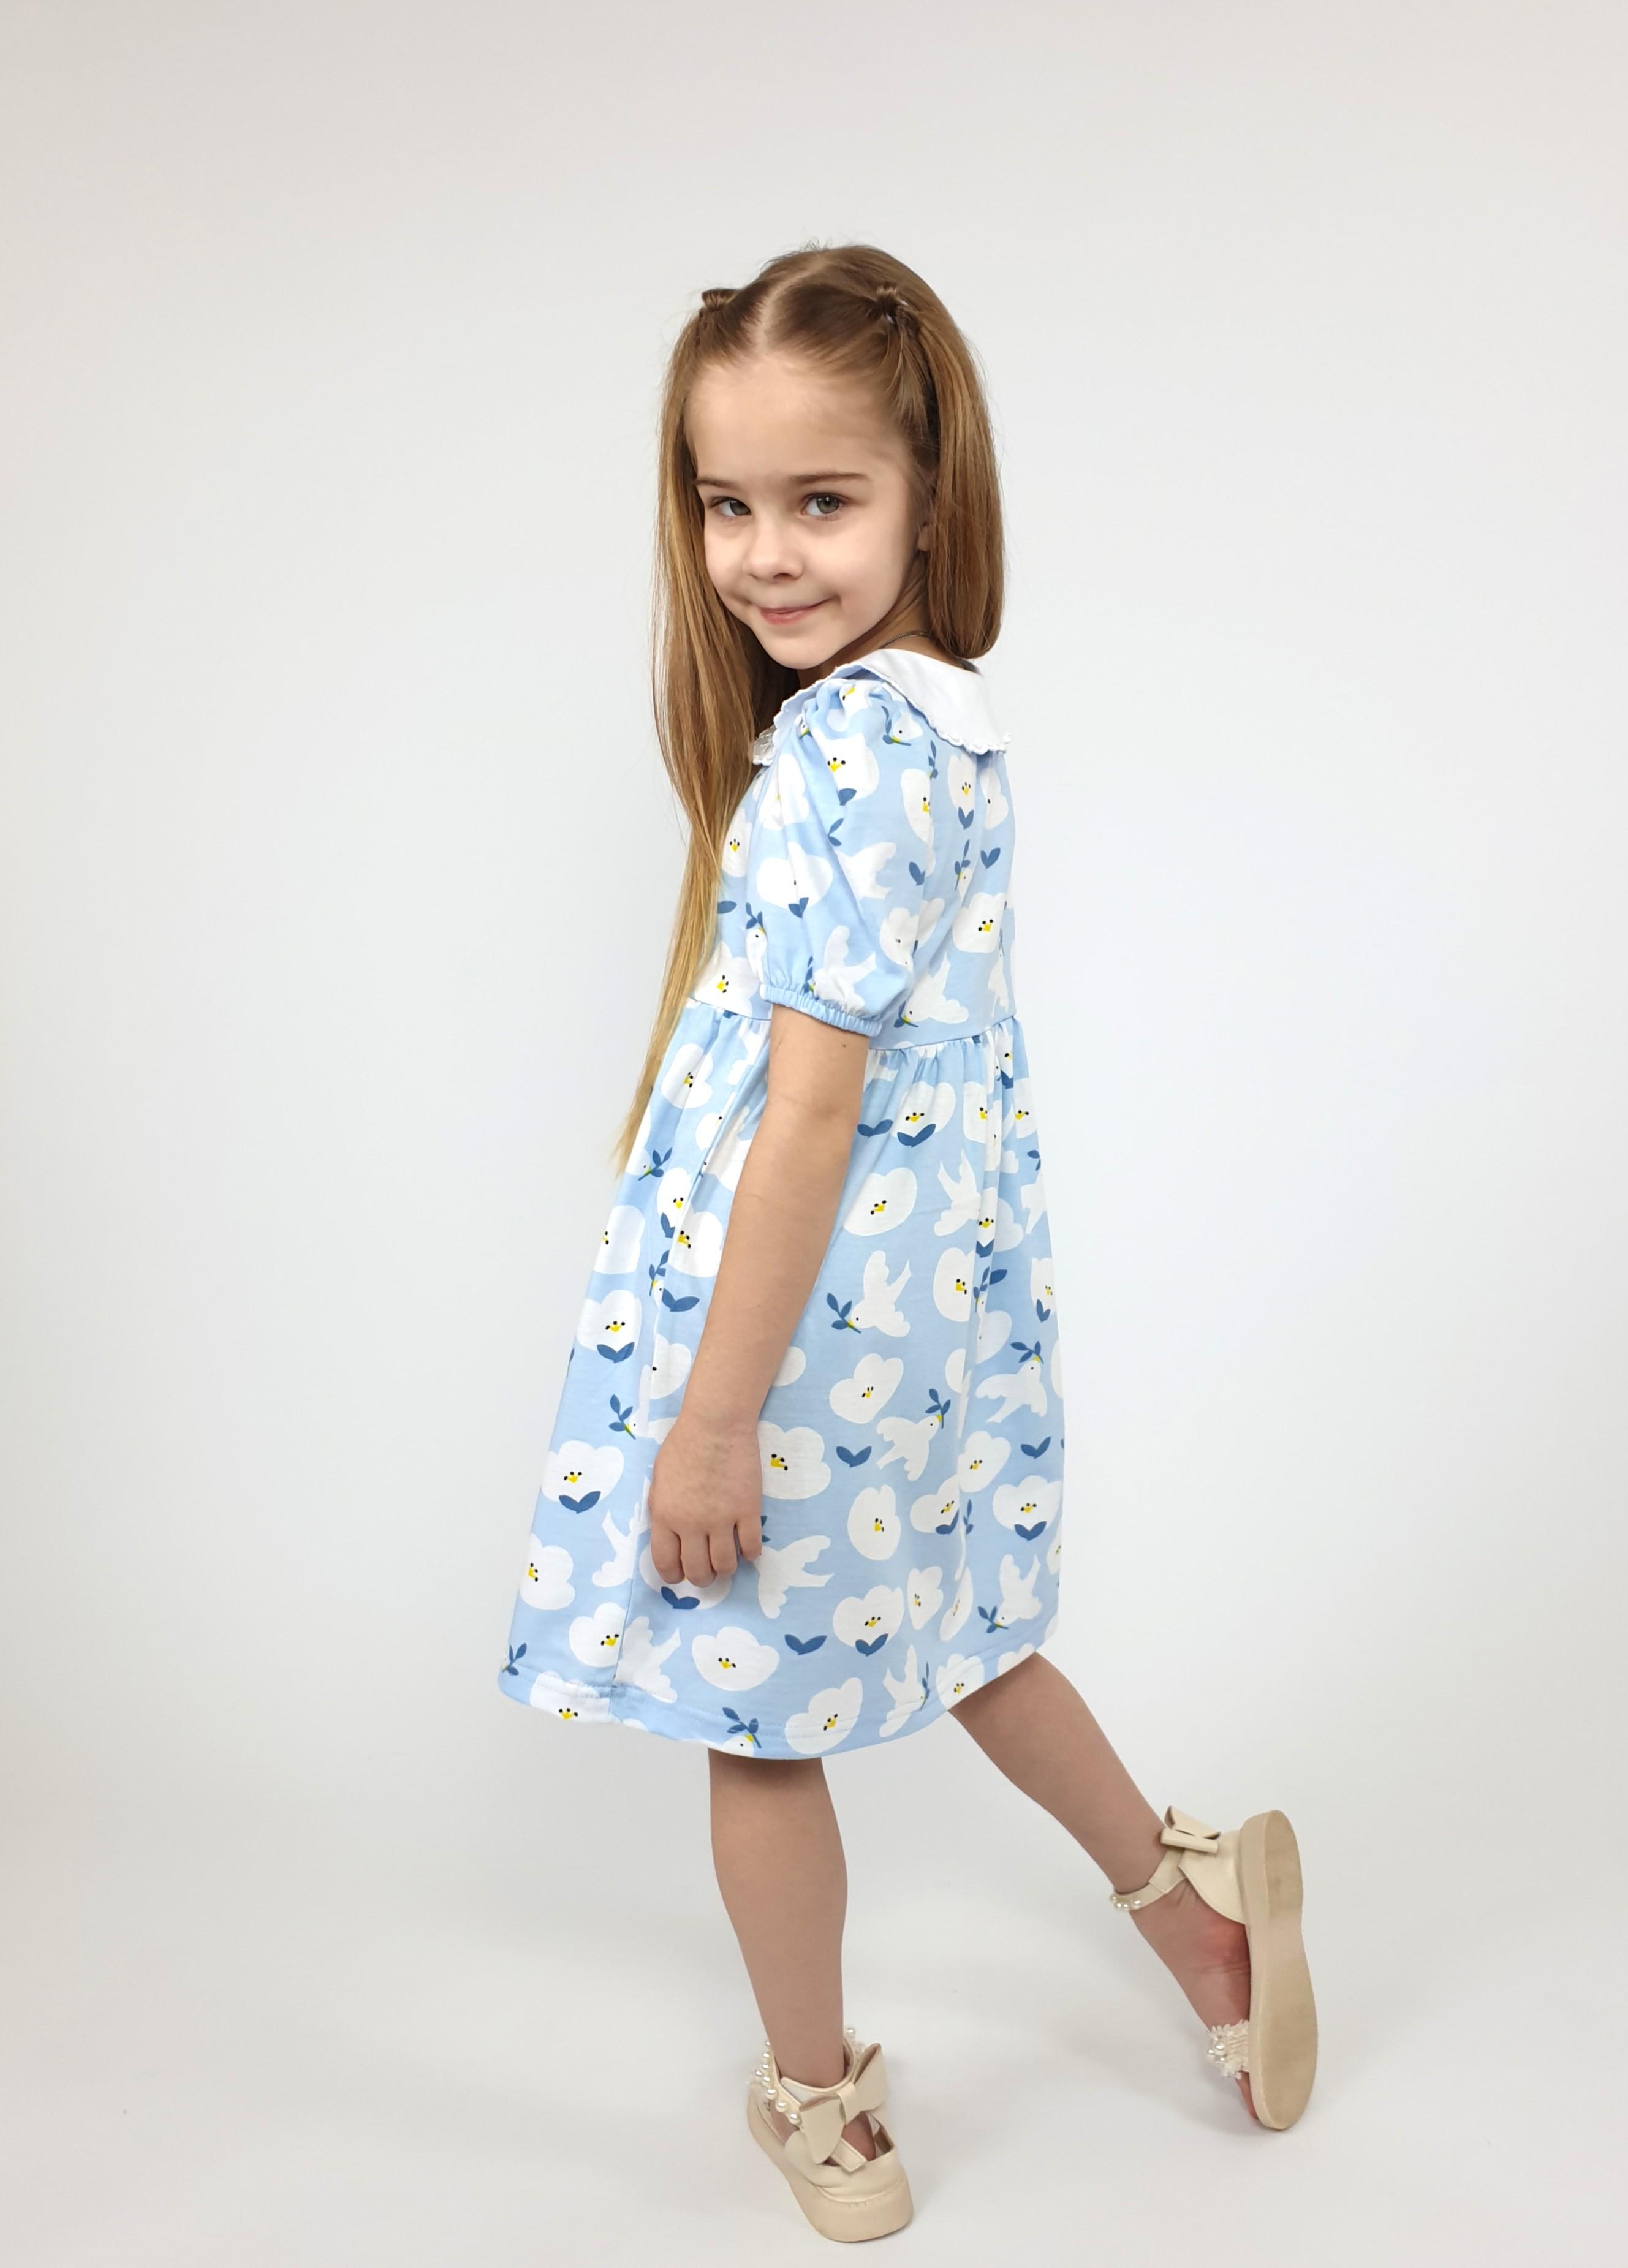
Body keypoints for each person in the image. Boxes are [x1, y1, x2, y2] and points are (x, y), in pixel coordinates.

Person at [497, 240, 1316, 2242]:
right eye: (727, 503)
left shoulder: (847, 750)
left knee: (749, 1722)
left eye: (823, 499)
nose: (766, 555)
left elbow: (809, 1114)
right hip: (915, 1323)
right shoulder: (937, 723)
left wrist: (710, 1427)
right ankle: (1192, 1907)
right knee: (967, 1637)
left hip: (793, 1347)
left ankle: (817, 2105)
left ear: (932, 499)